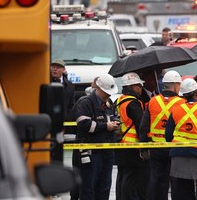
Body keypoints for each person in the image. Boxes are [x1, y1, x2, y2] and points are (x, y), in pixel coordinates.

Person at [139, 70, 185, 200]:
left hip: (155, 147)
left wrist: (143, 148)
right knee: (175, 180)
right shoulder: (181, 103)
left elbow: (144, 126)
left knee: (155, 179)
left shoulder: (153, 101)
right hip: (173, 147)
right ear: (176, 85)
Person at [75, 74, 120, 200]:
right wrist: (106, 126)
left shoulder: (109, 102)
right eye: (106, 92)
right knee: (89, 186)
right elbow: (84, 125)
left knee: (105, 187)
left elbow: (113, 115)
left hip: (107, 150)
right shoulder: (85, 103)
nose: (108, 95)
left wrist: (115, 122)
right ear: (99, 89)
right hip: (91, 152)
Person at [114, 72, 149, 200]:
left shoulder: (119, 100)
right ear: (133, 86)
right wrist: (144, 146)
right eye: (139, 85)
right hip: (132, 147)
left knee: (122, 177)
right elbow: (141, 125)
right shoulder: (133, 103)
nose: (141, 88)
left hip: (121, 144)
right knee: (132, 181)